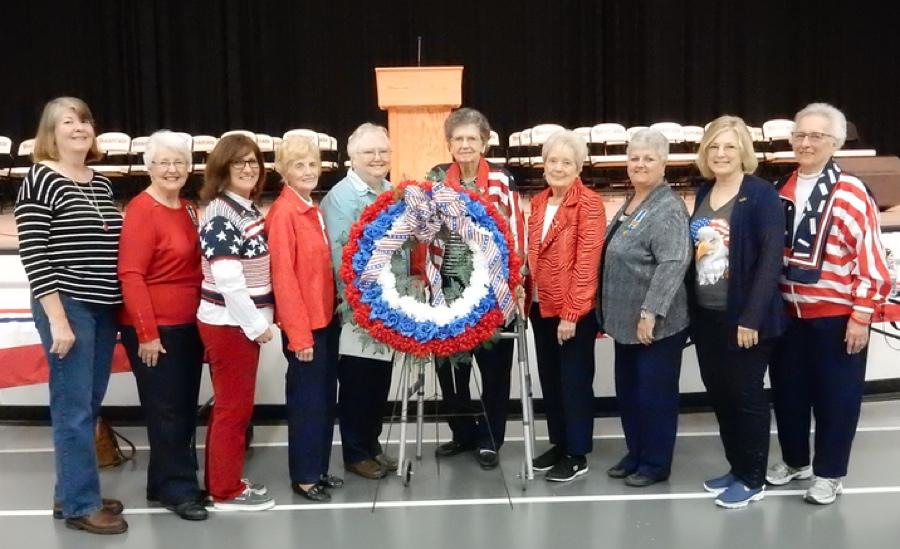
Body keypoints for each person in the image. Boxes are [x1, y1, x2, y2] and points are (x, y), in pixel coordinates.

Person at [767, 103, 892, 505]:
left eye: (816, 136)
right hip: (787, 315)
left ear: (835, 142)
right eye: (800, 135)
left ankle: (830, 473)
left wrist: (861, 315)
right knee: (788, 393)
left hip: (837, 317)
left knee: (836, 399)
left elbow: (870, 258)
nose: (805, 142)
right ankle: (795, 461)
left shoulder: (851, 191)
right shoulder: (780, 189)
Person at [14, 97, 127, 534]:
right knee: (73, 410)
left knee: (87, 405)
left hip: (103, 307)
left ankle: (72, 491)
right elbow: (35, 256)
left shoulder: (99, 183)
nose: (80, 128)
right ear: (51, 132)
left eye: (85, 120)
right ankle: (81, 505)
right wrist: (58, 320)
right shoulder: (40, 179)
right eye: (68, 122)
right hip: (69, 308)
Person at [687, 116, 786, 508]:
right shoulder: (702, 192)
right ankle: (736, 467)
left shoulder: (761, 195)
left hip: (746, 320)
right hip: (708, 317)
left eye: (729, 146)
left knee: (745, 397)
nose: (721, 154)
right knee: (721, 395)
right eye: (714, 146)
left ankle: (753, 477)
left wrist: (751, 318)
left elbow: (770, 260)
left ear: (742, 151)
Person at [427, 108, 526, 470]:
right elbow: (424, 227)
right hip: (447, 288)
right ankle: (462, 433)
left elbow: (514, 233)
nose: (465, 145)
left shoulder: (501, 180)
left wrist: (514, 284)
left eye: (472, 138)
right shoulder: (437, 178)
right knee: (451, 368)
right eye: (459, 139)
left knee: (494, 369)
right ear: (449, 144)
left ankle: (489, 438)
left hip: (491, 291)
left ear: (484, 142)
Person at [117, 130, 207, 521]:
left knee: (183, 407)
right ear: (149, 167)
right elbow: (131, 275)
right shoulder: (141, 210)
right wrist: (147, 333)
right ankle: (179, 490)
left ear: (189, 168)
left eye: (179, 162)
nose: (172, 169)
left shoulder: (186, 208)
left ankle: (162, 481)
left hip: (189, 325)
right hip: (157, 329)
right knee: (167, 410)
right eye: (164, 162)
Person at [598, 128, 691, 488]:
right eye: (634, 158)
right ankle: (636, 452)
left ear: (664, 164)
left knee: (655, 396)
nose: (640, 164)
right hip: (625, 322)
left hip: (654, 324)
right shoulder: (633, 201)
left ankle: (655, 463)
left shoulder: (667, 207)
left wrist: (650, 312)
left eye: (648, 158)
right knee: (631, 394)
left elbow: (673, 263)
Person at [196, 134, 276, 511]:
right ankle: (225, 491)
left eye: (253, 162)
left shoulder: (244, 208)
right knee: (233, 409)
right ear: (222, 169)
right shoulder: (220, 214)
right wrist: (255, 325)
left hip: (237, 325)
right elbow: (228, 280)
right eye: (239, 162)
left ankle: (222, 482)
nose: (248, 168)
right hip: (229, 325)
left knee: (232, 407)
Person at [320, 123, 397, 480]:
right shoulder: (340, 198)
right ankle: (355, 450)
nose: (378, 158)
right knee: (357, 382)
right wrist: (366, 304)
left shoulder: (392, 192)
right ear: (352, 158)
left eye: (383, 151)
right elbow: (342, 259)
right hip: (358, 307)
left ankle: (371, 443)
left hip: (391, 305)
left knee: (379, 380)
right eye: (369, 152)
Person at [267, 136, 342, 501]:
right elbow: (283, 278)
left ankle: (320, 468)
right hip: (305, 328)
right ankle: (305, 475)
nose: (308, 171)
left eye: (312, 164)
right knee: (307, 402)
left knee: (325, 399)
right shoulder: (283, 214)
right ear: (282, 171)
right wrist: (299, 336)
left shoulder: (311, 208)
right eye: (299, 165)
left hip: (325, 319)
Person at [528, 131, 604, 481]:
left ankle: (577, 453)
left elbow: (587, 263)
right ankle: (559, 443)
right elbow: (533, 255)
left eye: (566, 162)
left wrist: (572, 314)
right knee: (551, 380)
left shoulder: (588, 204)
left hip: (571, 311)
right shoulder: (540, 202)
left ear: (579, 168)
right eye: (552, 161)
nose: (558, 168)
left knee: (573, 382)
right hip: (541, 307)